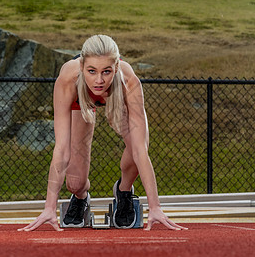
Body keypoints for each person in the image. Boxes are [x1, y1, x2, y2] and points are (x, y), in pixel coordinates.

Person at [18, 35, 187, 231]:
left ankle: (123, 191)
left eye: (106, 72)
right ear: (81, 66)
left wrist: (155, 207)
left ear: (116, 67)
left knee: (136, 146)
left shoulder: (129, 82)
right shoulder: (67, 80)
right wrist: (50, 207)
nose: (99, 80)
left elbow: (141, 151)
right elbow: (62, 149)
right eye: (92, 71)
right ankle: (81, 197)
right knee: (74, 182)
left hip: (117, 99)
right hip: (80, 101)